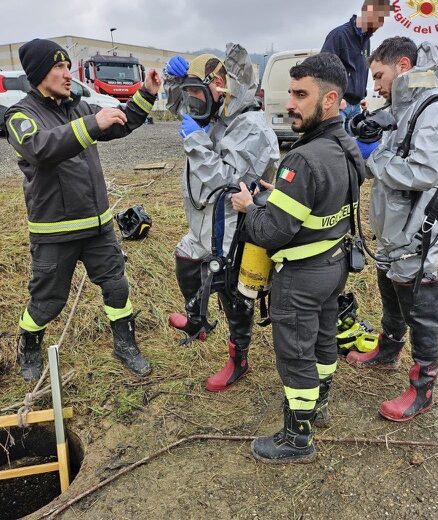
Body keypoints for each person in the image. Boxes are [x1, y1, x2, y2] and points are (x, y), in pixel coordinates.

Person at [232, 52, 365, 463]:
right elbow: (322, 201)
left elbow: (271, 232)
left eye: (300, 94)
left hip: (302, 276)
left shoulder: (303, 159)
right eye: (291, 92)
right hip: (334, 265)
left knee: (294, 353)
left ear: (328, 101)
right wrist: (284, 193)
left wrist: (249, 207)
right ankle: (319, 405)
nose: (290, 102)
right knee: (324, 339)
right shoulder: (344, 146)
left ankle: (297, 438)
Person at [5, 38, 162, 381]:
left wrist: (147, 93)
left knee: (117, 288)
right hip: (54, 234)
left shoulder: (75, 107)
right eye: (58, 67)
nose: (67, 74)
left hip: (99, 228)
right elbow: (39, 148)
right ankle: (29, 348)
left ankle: (125, 346)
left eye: (66, 66)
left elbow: (120, 122)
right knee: (46, 303)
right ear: (38, 74)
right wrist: (94, 124)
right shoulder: (21, 116)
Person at [347, 37, 438, 422]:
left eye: (378, 75)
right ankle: (388, 349)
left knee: (419, 306)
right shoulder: (400, 109)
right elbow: (387, 162)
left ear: (402, 66)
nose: (375, 85)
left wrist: (374, 157)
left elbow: (423, 172)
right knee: (389, 285)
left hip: (420, 229)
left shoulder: (437, 112)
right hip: (392, 228)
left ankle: (423, 387)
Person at [163, 44, 279, 392]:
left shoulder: (252, 128)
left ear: (229, 87)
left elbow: (227, 180)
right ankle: (198, 321)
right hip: (206, 221)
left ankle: (237, 359)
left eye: (207, 89)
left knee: (233, 294)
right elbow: (182, 109)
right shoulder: (224, 118)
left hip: (235, 227)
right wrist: (175, 83)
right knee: (186, 258)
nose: (201, 100)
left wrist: (196, 142)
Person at [321, 0, 392, 132]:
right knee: (337, 146)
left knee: (353, 148)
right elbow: (323, 69)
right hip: (340, 105)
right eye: (380, 18)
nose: (381, 24)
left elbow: (362, 70)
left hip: (356, 106)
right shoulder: (339, 35)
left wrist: (362, 95)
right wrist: (337, 97)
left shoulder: (366, 40)